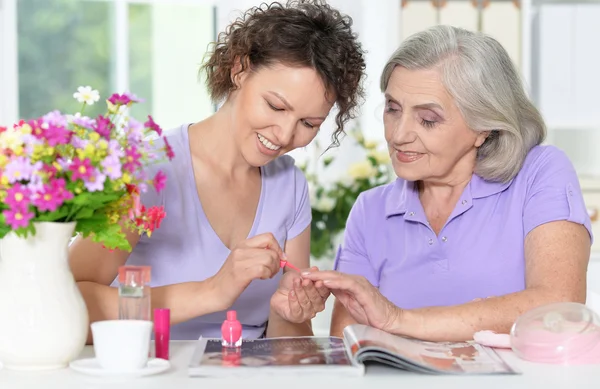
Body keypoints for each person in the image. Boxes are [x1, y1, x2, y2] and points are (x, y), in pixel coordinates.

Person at [69, 0, 366, 342]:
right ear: (240, 69)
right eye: (275, 105)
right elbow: (69, 303)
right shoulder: (149, 170)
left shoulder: (289, 184)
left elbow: (286, 342)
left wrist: (289, 313)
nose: (285, 135)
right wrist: (212, 291)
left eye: (308, 123)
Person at [302, 25, 593, 342]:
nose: (399, 135)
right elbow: (350, 341)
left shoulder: (540, 173)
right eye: (392, 109)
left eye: (428, 119)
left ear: (483, 127)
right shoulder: (370, 210)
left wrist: (400, 320)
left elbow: (558, 306)